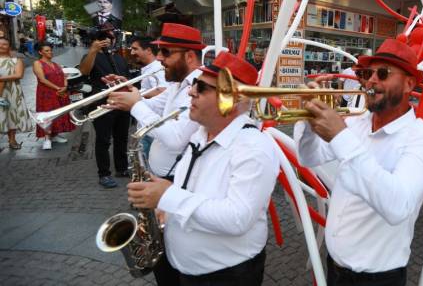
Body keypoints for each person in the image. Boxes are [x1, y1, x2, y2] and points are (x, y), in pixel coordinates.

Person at [295, 39, 423, 285]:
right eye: (367, 73)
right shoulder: (356, 123)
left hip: (378, 278)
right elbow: (308, 157)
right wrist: (308, 120)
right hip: (334, 266)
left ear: (409, 84)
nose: (371, 81)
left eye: (383, 73)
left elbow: (398, 205)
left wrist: (340, 136)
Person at [126, 52, 278, 286]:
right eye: (194, 84)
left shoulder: (254, 147)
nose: (190, 91)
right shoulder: (201, 133)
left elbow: (237, 219)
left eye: (202, 88)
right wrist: (164, 208)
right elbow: (194, 188)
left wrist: (168, 195)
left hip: (226, 276)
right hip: (191, 271)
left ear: (232, 100)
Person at [106, 23, 203, 181]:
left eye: (165, 52)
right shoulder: (178, 83)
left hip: (178, 179)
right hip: (163, 175)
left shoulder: (200, 87)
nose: (159, 58)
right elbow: (153, 104)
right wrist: (126, 94)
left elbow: (176, 139)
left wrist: (135, 105)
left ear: (189, 57)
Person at [78, 28, 131, 188]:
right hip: (101, 103)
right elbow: (84, 71)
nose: (107, 40)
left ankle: (121, 168)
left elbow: (126, 78)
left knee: (122, 138)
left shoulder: (119, 58)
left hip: (121, 103)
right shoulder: (90, 56)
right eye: (103, 37)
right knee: (103, 139)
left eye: (110, 37)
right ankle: (104, 174)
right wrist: (93, 50)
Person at [32, 43, 76, 150]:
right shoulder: (37, 63)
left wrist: (65, 86)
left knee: (58, 114)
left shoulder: (56, 64)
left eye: (50, 50)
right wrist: (58, 88)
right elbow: (42, 79)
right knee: (47, 115)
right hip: (46, 93)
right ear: (40, 52)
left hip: (59, 93)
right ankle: (47, 139)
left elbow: (64, 76)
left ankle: (55, 136)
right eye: (46, 50)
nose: (50, 52)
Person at [0, 37, 33, 150]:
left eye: (4, 44)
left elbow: (19, 75)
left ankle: (12, 140)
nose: (1, 46)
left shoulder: (16, 61)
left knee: (11, 115)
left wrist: (1, 78)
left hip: (13, 91)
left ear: (9, 46)